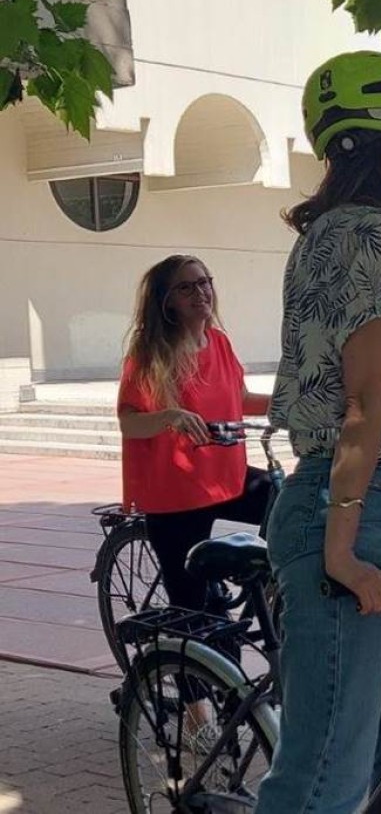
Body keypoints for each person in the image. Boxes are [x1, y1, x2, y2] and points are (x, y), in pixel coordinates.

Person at [255, 51, 381, 814]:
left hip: (380, 508)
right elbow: (364, 403)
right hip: (354, 517)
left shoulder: (332, 232)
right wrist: (341, 550)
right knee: (319, 777)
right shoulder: (370, 232)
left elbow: (377, 399)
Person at [118, 255, 274, 619]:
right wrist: (171, 416)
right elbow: (129, 422)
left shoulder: (218, 342)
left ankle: (270, 584)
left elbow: (241, 399)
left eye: (204, 282)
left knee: (288, 504)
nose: (200, 292)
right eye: (186, 286)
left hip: (224, 478)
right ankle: (180, 669)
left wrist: (290, 401)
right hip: (175, 493)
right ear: (167, 300)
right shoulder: (150, 352)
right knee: (196, 610)